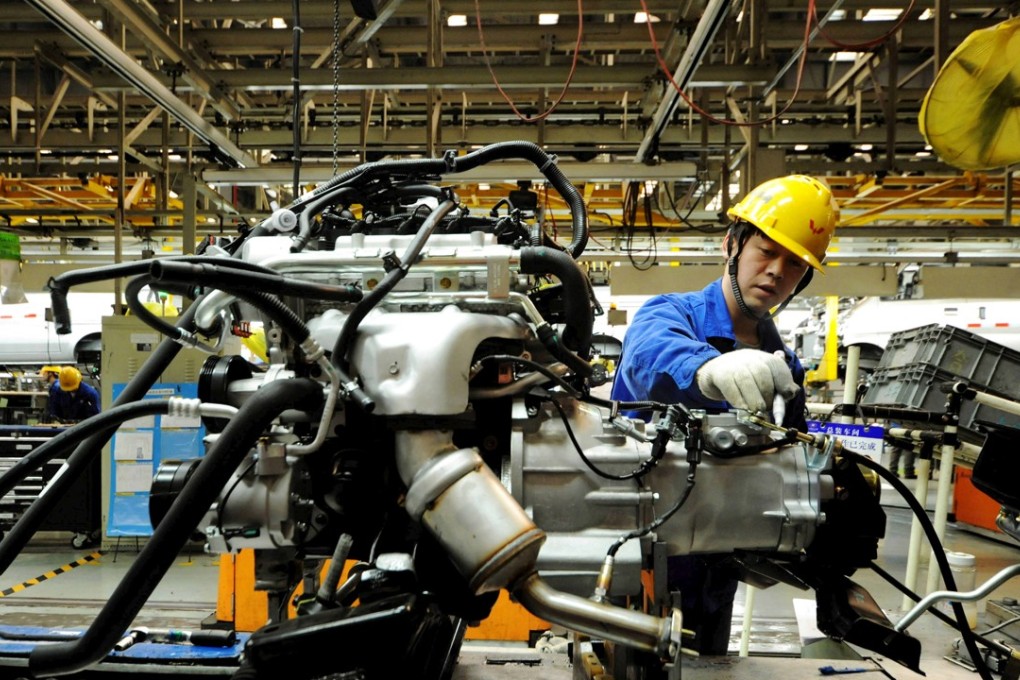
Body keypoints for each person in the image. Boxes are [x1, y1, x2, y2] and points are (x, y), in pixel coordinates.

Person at [610, 174, 839, 655]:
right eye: (766, 251)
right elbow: (651, 354)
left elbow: (792, 462)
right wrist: (709, 368)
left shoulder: (784, 368)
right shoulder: (669, 314)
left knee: (706, 663)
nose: (776, 272)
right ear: (731, 245)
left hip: (719, 565)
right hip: (640, 557)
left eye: (795, 264)